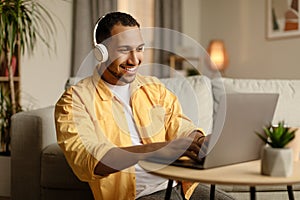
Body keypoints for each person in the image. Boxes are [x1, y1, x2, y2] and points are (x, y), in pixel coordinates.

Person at [55, 11, 234, 200]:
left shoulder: (154, 88)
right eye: (124, 50)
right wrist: (155, 150)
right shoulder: (74, 101)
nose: (134, 60)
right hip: (137, 196)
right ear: (101, 52)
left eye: (139, 49)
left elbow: (181, 127)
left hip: (182, 188)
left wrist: (199, 141)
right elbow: (87, 160)